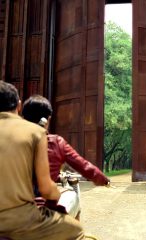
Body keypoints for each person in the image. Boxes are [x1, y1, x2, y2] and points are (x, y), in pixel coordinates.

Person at [0, 81, 85, 240]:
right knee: (77, 230)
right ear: (18, 106)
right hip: (18, 220)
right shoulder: (34, 133)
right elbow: (46, 189)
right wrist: (57, 193)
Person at [22, 95, 110, 186]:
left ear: (23, 118)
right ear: (48, 119)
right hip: (45, 197)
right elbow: (84, 166)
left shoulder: (11, 140)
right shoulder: (56, 143)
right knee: (71, 193)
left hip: (12, 197)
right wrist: (104, 180)